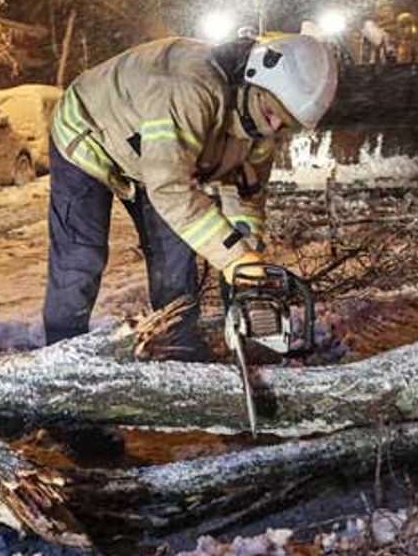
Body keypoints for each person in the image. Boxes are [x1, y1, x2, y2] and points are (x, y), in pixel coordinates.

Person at [43, 34, 339, 360]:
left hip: (153, 155)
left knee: (175, 256)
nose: (272, 126)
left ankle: (179, 347)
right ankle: (60, 353)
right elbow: (170, 188)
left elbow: (246, 198)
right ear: (252, 80)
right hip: (88, 133)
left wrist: (246, 260)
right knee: (80, 257)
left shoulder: (263, 133)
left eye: (285, 124)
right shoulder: (188, 89)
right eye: (270, 112)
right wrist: (232, 257)